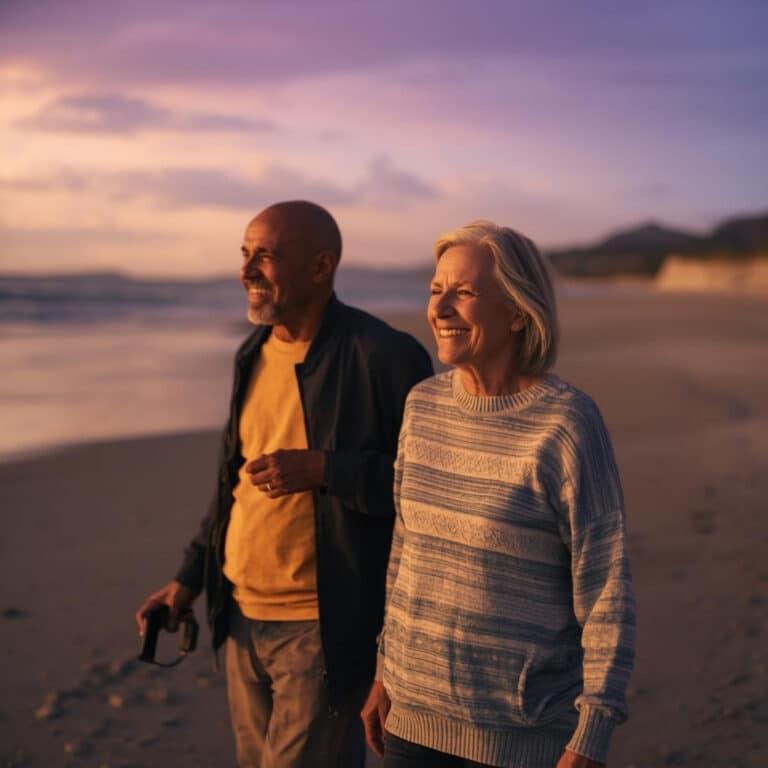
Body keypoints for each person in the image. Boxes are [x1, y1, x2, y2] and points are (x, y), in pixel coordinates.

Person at [136, 200, 433, 768]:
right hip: (240, 618)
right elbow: (231, 485)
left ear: (321, 267)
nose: (246, 270)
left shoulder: (383, 356)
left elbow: (430, 490)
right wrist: (189, 579)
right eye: (245, 254)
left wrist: (326, 469)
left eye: (265, 256)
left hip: (324, 629)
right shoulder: (252, 352)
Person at [361, 220, 636, 768]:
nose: (439, 309)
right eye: (436, 290)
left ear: (517, 313)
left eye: (462, 292)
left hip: (521, 737)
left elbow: (605, 584)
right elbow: (406, 552)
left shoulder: (566, 424)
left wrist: (593, 730)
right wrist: (384, 671)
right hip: (411, 719)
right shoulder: (422, 406)